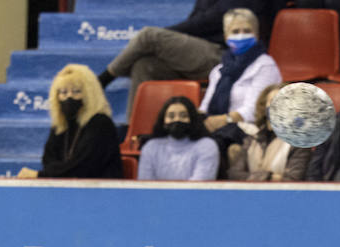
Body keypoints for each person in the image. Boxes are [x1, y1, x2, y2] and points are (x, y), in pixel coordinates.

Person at [97, 1, 268, 122]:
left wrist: (166, 35)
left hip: (223, 54)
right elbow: (194, 21)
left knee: (149, 36)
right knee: (144, 66)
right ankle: (135, 130)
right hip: (198, 50)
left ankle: (102, 81)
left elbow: (210, 20)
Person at [17, 64, 122, 180]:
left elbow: (83, 168)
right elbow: (48, 161)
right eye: (64, 92)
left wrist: (41, 175)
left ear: (89, 94)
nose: (69, 97)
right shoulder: (61, 125)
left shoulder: (101, 124)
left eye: (76, 91)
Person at [199, 8, 281, 140]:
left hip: (250, 131)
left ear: (257, 35)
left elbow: (255, 110)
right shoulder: (219, 70)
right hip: (220, 129)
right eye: (235, 31)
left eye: (247, 31)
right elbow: (205, 107)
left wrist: (224, 120)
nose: (241, 35)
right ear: (226, 37)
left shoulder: (265, 65)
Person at [226, 83, 311, 182]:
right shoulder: (252, 138)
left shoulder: (299, 142)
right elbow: (233, 174)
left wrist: (252, 177)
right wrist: (269, 177)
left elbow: (293, 179)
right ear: (263, 106)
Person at [137, 96, 221, 180]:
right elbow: (145, 185)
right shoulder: (151, 147)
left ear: (192, 119)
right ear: (163, 121)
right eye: (171, 116)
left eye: (183, 116)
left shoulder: (207, 146)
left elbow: (199, 187)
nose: (177, 119)